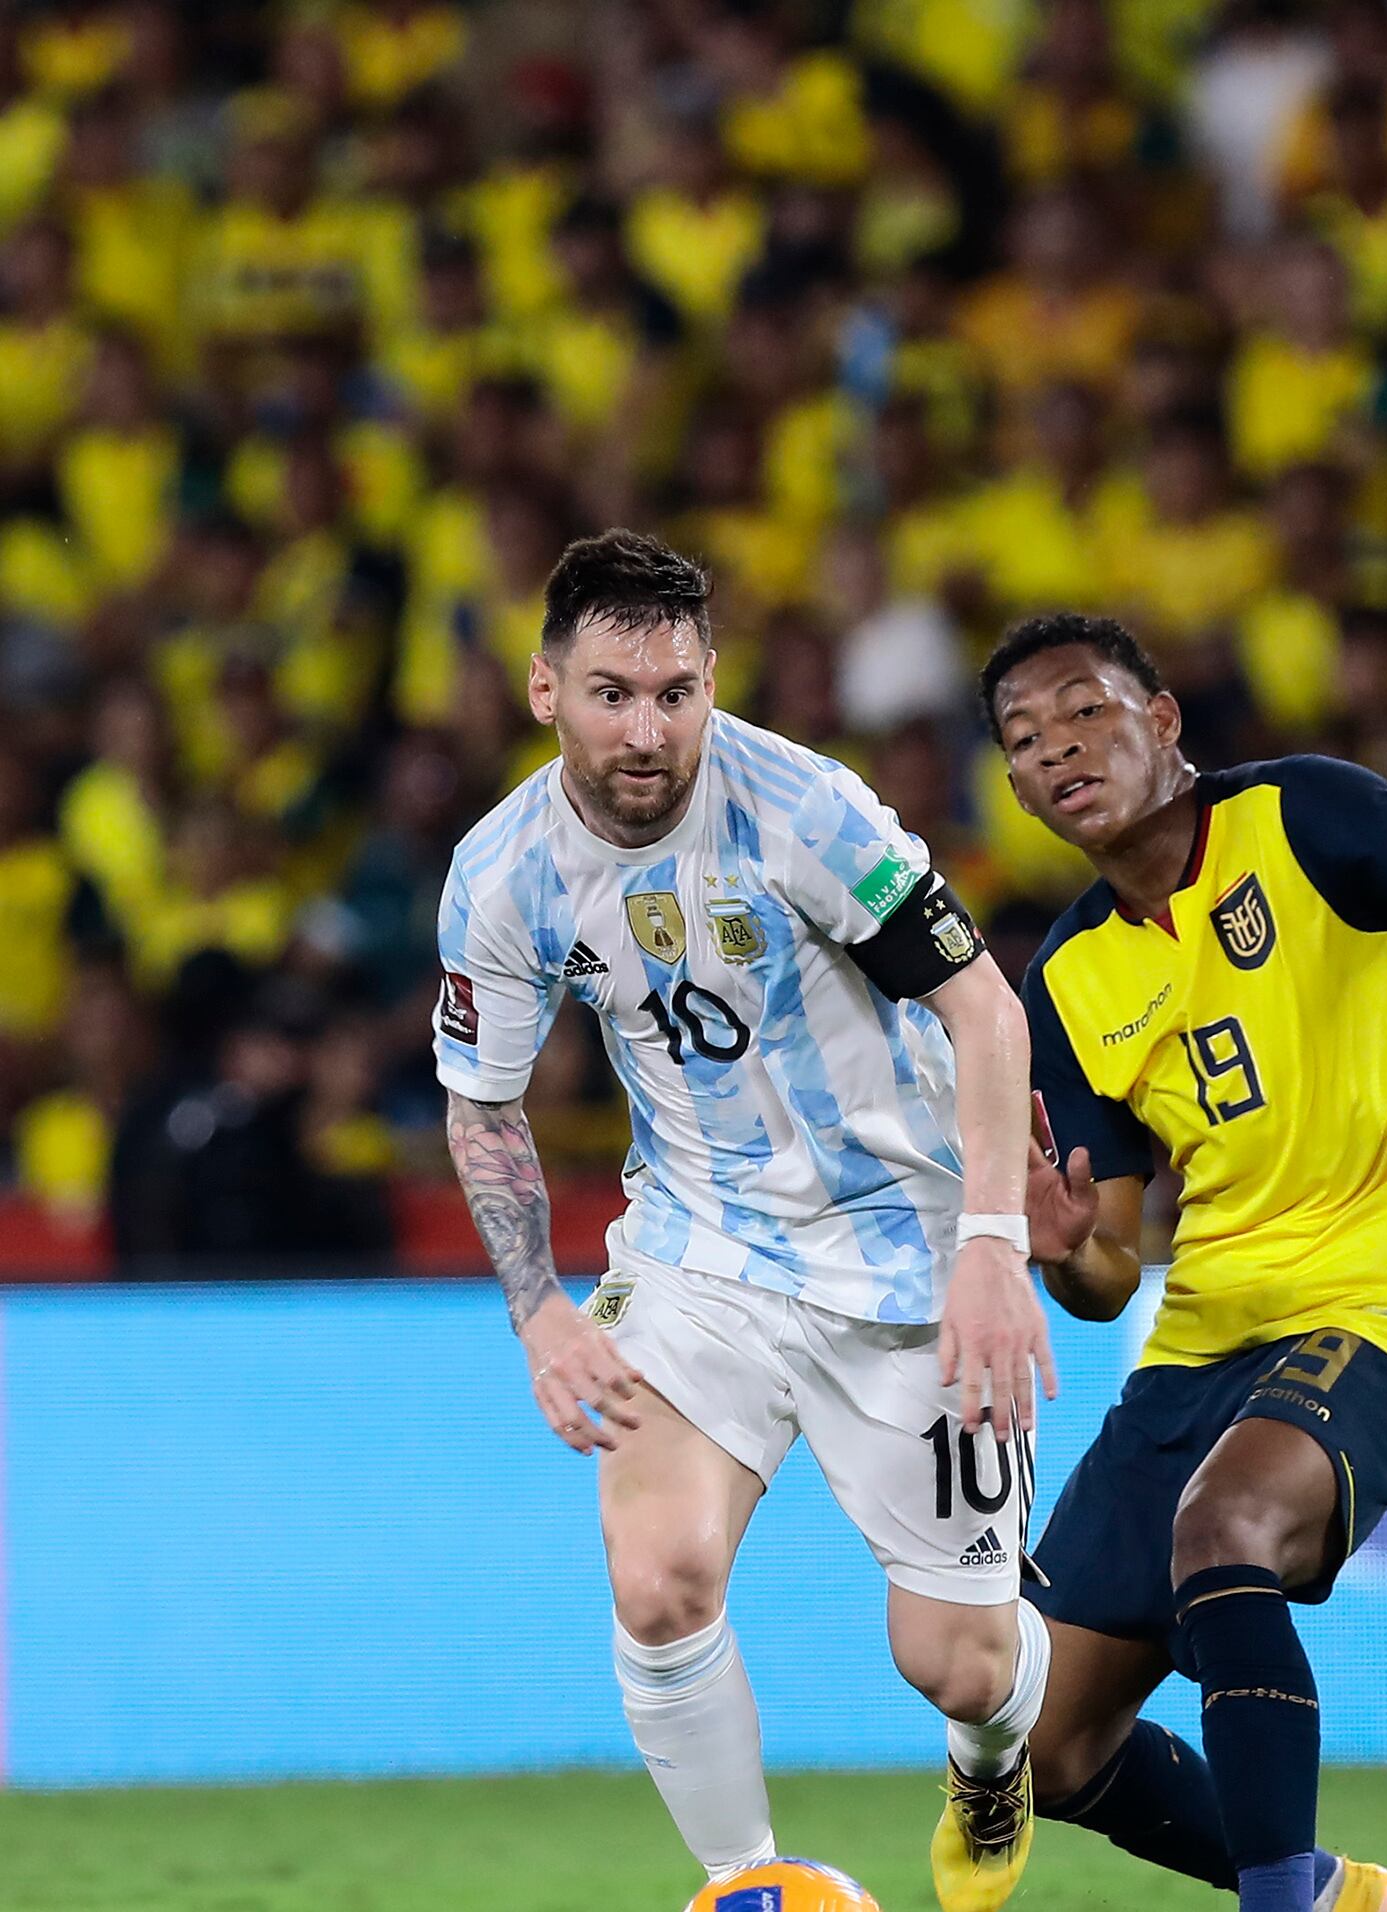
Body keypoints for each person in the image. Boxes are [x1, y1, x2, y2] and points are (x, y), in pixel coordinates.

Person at [431, 531, 1060, 1909]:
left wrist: (992, 1246)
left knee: (959, 1663)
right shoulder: (503, 874)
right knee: (658, 1578)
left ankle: (990, 1757)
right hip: (698, 1250)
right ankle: (749, 1883)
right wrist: (538, 1310)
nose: (645, 731)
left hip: (904, 1252)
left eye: (675, 694)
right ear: (545, 690)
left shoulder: (806, 814)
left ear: (711, 683)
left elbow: (983, 1008)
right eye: (611, 694)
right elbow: (482, 1104)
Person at [985, 611, 1387, 1912]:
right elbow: (1109, 1272)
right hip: (1202, 1338)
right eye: (1025, 741)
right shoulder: (1069, 979)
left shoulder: (1306, 816)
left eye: (1086, 712)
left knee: (1225, 1526)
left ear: (1163, 720)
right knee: (1043, 1739)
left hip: (1380, 1306)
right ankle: (1331, 1893)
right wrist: (1066, 1246)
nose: (1059, 752)